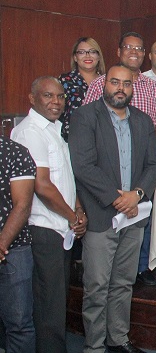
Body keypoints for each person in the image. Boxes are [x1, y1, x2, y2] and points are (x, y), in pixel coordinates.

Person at [69, 65, 156, 352]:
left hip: (133, 217)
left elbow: (153, 166)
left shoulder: (143, 121)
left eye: (126, 83)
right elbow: (83, 166)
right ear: (103, 85)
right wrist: (116, 199)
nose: (120, 88)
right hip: (101, 214)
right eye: (114, 82)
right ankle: (95, 346)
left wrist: (136, 195)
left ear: (133, 87)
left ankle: (118, 340)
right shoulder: (85, 117)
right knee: (97, 286)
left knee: (123, 283)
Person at [82, 32, 156, 286]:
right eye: (129, 47)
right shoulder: (98, 85)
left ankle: (140, 269)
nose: (134, 52)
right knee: (100, 275)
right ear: (119, 51)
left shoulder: (153, 87)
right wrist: (119, 195)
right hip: (106, 178)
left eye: (139, 48)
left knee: (140, 226)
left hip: (141, 173)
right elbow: (89, 128)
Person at [10, 76, 88, 353]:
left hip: (61, 225)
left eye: (60, 97)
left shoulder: (54, 129)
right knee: (49, 304)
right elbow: (41, 185)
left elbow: (66, 177)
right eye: (48, 96)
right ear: (32, 99)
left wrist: (77, 210)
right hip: (43, 228)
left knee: (56, 300)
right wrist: (71, 215)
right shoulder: (30, 131)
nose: (56, 102)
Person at [0, 137, 36, 353]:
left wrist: (2, 243)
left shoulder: (16, 152)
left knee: (19, 323)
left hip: (15, 250)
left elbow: (22, 205)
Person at [58, 37, 106, 142]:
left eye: (92, 52)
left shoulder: (109, 82)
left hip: (104, 140)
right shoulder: (65, 81)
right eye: (82, 52)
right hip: (72, 139)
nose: (87, 56)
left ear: (98, 57)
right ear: (75, 57)